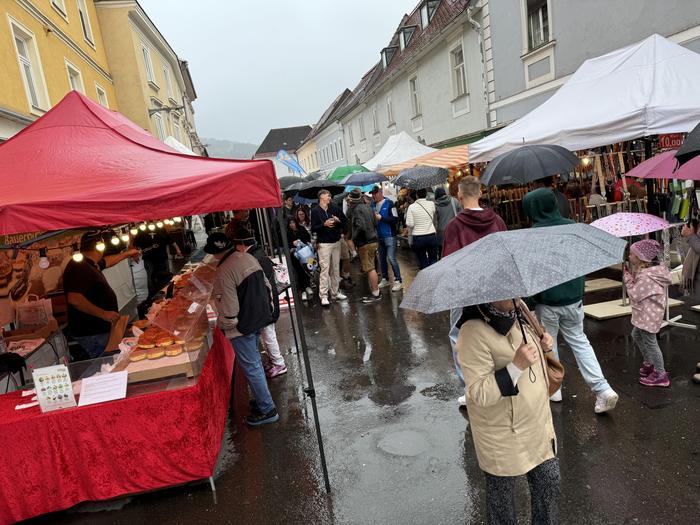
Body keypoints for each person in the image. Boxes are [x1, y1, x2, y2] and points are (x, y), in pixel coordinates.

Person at [456, 300, 560, 524]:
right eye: (506, 291)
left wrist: (543, 347)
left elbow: (534, 363)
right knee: (502, 503)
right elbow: (478, 393)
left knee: (549, 485)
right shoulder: (471, 332)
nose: (515, 294)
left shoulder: (519, 314)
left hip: (538, 424)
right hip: (503, 432)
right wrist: (515, 367)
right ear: (488, 294)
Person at [522, 188, 619, 412]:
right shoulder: (574, 228)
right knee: (580, 341)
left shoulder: (531, 235)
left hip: (547, 302)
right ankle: (602, 389)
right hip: (574, 299)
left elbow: (532, 274)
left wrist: (531, 302)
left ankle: (554, 389)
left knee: (549, 345)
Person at [443, 176, 507, 408]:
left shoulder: (454, 226)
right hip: (494, 285)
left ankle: (470, 387)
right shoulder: (497, 220)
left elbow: (450, 262)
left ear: (459, 197)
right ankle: (501, 381)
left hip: (465, 289)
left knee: (459, 336)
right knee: (497, 331)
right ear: (480, 193)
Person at [210, 232, 279, 426]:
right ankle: (262, 400)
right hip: (258, 318)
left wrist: (225, 326)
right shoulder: (247, 257)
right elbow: (266, 285)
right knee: (255, 363)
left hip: (243, 325)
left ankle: (267, 409)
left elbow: (230, 309)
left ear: (215, 253)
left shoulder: (224, 269)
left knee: (252, 366)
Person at [63, 230, 139, 358]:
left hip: (101, 330)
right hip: (92, 332)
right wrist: (103, 314)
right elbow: (74, 299)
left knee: (113, 361)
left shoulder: (90, 264)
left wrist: (128, 253)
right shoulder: (78, 266)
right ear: (99, 246)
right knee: (107, 364)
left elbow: (107, 261)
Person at [231, 227, 287, 378]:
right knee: (267, 334)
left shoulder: (254, 257)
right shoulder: (256, 253)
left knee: (269, 334)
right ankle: (273, 360)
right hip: (265, 300)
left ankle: (279, 363)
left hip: (266, 302)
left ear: (241, 244)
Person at [624, 239, 672, 388]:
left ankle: (660, 373)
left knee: (651, 343)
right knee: (635, 335)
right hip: (647, 313)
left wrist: (627, 279)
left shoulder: (646, 276)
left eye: (631, 254)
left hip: (648, 316)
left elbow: (635, 294)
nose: (629, 256)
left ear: (640, 257)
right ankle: (649, 362)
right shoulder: (647, 273)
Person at [310, 189, 348, 306]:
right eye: (328, 195)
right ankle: (324, 295)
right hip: (324, 244)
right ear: (321, 197)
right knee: (325, 269)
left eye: (330, 196)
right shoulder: (315, 211)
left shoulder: (335, 208)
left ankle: (335, 293)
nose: (329, 198)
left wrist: (338, 221)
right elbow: (314, 228)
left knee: (335, 269)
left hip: (336, 242)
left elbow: (345, 221)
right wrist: (324, 224)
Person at [346, 189, 381, 303]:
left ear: (351, 199)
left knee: (370, 268)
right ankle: (375, 291)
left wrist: (354, 238)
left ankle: (376, 293)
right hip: (372, 239)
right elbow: (375, 223)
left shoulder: (356, 209)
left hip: (365, 242)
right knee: (371, 267)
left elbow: (360, 226)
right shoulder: (368, 206)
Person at [133, 226, 182, 299]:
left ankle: (167, 292)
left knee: (166, 275)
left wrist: (177, 249)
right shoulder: (141, 230)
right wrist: (135, 255)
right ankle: (152, 296)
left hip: (162, 257)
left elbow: (171, 240)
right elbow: (135, 244)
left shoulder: (160, 228)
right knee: (150, 277)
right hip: (148, 258)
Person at [370, 186, 403, 292]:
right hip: (379, 236)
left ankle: (398, 280)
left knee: (391, 258)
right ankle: (385, 278)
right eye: (372, 194)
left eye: (375, 193)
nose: (373, 195)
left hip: (390, 235)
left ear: (380, 193)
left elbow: (395, 219)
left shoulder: (390, 204)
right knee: (381, 258)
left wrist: (382, 218)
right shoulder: (372, 205)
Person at [405, 188, 438, 269]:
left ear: (416, 195)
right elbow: (433, 215)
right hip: (431, 235)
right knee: (433, 260)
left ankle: (426, 279)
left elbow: (410, 224)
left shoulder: (411, 207)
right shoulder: (431, 204)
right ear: (426, 195)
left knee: (423, 261)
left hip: (419, 237)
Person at [287, 217, 314, 301]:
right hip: (294, 256)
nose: (292, 225)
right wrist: (292, 244)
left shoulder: (302, 229)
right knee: (299, 272)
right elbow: (286, 244)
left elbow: (308, 239)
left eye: (293, 222)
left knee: (307, 269)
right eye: (290, 223)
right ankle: (302, 290)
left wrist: (303, 244)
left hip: (305, 254)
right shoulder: (287, 233)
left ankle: (308, 286)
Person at [433, 187, 460, 255]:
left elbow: (435, 220)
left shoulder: (435, 205)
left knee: (442, 252)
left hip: (441, 233)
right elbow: (461, 214)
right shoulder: (455, 201)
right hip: (454, 230)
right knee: (455, 251)